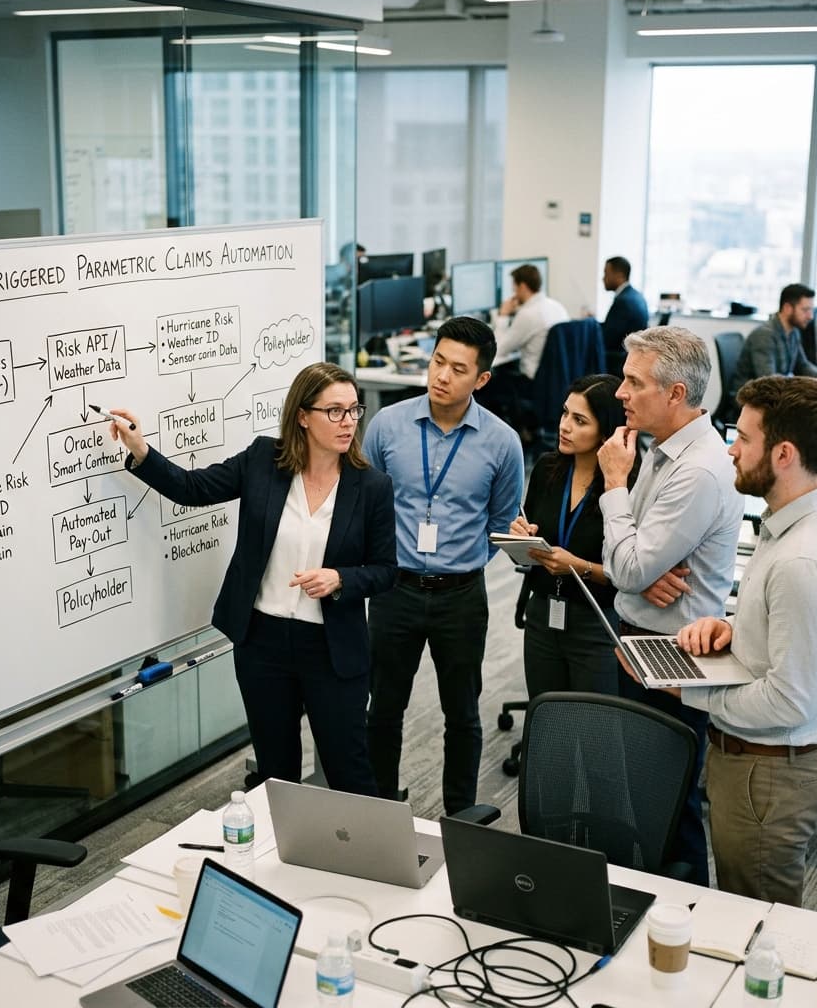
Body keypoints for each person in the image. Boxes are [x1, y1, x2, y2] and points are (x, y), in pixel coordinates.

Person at [109, 362, 396, 795]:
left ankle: (364, 861)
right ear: (303, 415)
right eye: (334, 411)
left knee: (349, 771)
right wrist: (141, 451)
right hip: (263, 644)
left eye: (354, 410)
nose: (348, 422)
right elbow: (193, 488)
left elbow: (386, 570)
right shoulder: (264, 460)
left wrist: (340, 578)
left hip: (331, 647)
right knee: (276, 774)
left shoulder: (371, 486)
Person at [672, 375, 817, 906]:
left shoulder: (804, 560)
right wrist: (733, 629)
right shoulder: (794, 523)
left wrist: (687, 691)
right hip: (761, 765)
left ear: (783, 453)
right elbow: (788, 634)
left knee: (758, 928)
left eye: (744, 439)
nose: (732, 450)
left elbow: (789, 698)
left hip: (770, 773)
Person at [597, 326, 744, 884]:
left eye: (634, 382)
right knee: (639, 794)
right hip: (638, 636)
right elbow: (627, 565)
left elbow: (629, 564)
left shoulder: (699, 470)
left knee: (669, 805)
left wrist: (614, 484)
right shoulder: (661, 450)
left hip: (672, 653)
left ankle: (686, 913)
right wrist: (634, 575)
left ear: (676, 394)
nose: (620, 393)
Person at [364, 316, 525, 815]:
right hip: (396, 590)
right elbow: (365, 502)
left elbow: (501, 521)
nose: (442, 376)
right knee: (384, 711)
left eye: (458, 369)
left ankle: (461, 816)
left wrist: (461, 560)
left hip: (461, 595)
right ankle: (377, 809)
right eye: (438, 362)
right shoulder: (388, 425)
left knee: (463, 715)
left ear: (481, 380)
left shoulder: (502, 443)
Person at [508, 374, 635, 698]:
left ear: (605, 430)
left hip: (596, 619)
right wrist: (520, 536)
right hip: (542, 613)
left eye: (580, 421)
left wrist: (577, 565)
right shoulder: (548, 468)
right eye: (565, 413)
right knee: (545, 713)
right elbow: (530, 531)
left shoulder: (623, 485)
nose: (565, 426)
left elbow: (631, 574)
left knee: (592, 728)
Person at [480, 263, 568, 424]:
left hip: (532, 382)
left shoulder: (528, 314)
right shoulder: (556, 306)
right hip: (557, 379)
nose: (513, 293)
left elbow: (498, 349)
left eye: (514, 289)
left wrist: (503, 315)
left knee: (485, 384)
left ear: (522, 287)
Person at [730, 283, 817, 400]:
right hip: (750, 402)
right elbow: (769, 381)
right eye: (805, 310)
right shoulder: (764, 335)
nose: (810, 316)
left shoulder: (793, 332)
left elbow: (802, 365)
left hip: (775, 397)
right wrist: (815, 382)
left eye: (811, 310)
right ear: (787, 308)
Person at [601, 255, 648, 373]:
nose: (603, 278)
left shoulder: (622, 301)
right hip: (633, 356)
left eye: (606, 273)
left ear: (619, 275)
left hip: (618, 361)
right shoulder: (637, 296)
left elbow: (607, 339)